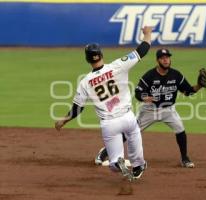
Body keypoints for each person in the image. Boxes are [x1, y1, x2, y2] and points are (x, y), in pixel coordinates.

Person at [54, 26, 152, 181]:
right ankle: (138, 164)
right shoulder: (118, 65)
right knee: (134, 140)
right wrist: (147, 34)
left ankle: (117, 162)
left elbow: (77, 109)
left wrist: (63, 120)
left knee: (113, 163)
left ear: (87, 59)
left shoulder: (85, 82)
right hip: (128, 118)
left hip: (109, 124)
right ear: (101, 54)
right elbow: (142, 50)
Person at [95, 48, 206, 168]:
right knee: (130, 131)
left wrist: (199, 86)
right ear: (157, 60)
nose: (166, 60)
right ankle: (104, 152)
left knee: (180, 129)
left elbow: (188, 91)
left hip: (168, 110)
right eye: (163, 58)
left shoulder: (176, 75)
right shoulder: (150, 76)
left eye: (167, 58)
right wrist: (145, 97)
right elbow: (138, 92)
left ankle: (185, 158)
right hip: (150, 110)